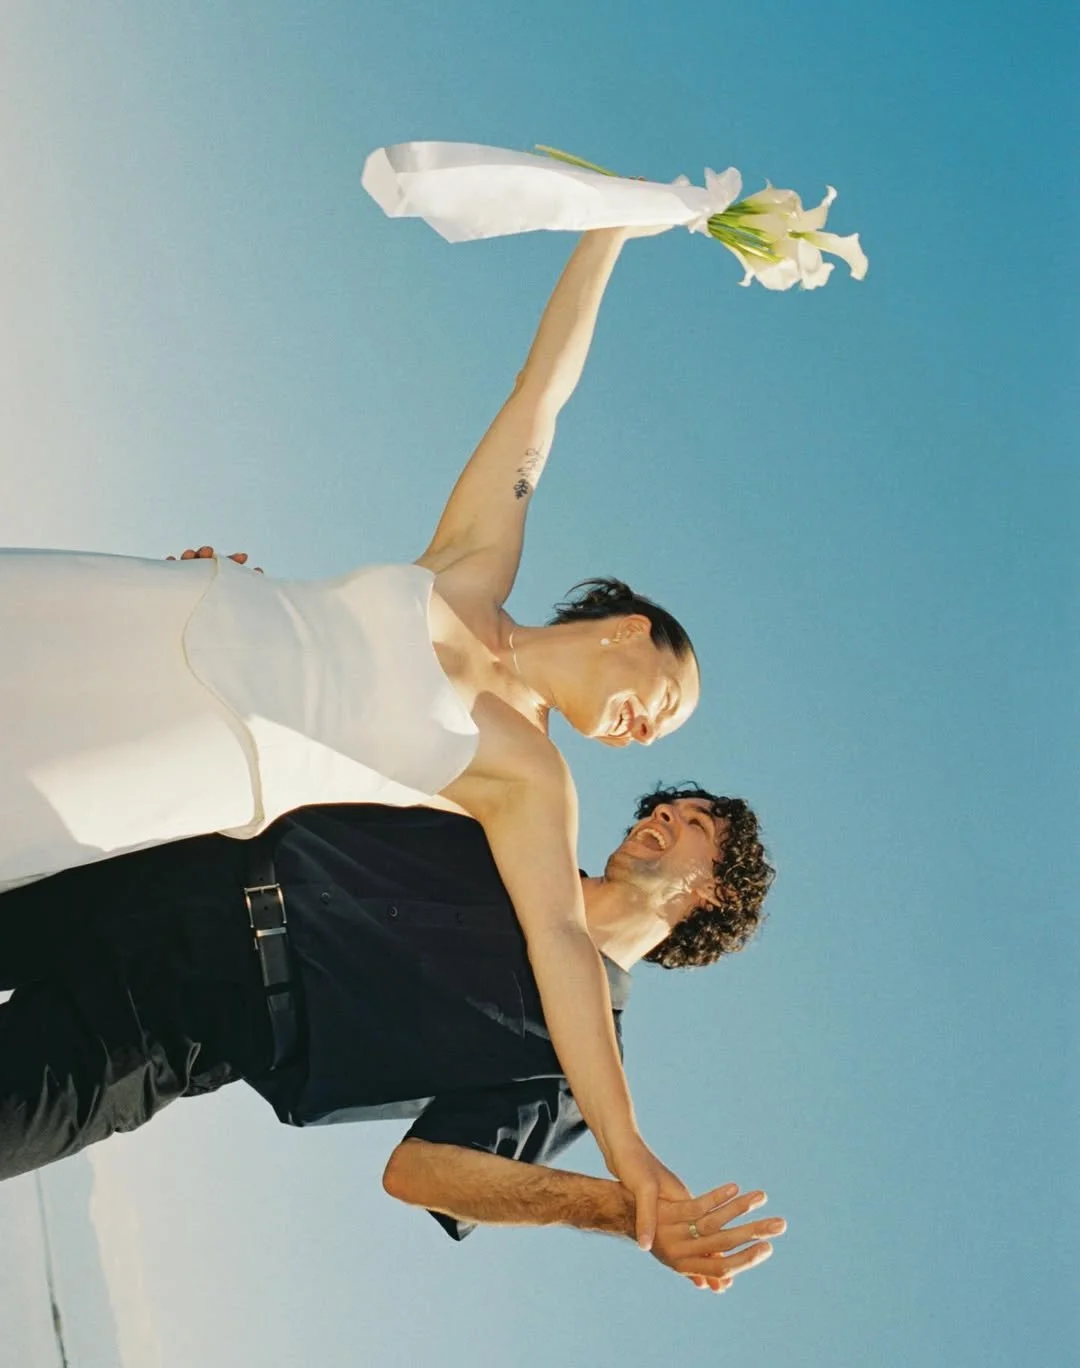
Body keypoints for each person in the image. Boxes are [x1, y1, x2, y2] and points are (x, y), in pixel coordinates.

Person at [1, 224, 695, 1240]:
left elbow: (560, 945)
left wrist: (629, 1157)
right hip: (155, 629)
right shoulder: (474, 562)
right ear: (631, 630)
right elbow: (539, 396)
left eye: (661, 732)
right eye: (663, 699)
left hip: (182, 772)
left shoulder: (529, 775)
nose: (646, 731)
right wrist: (612, 231)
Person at [0, 784, 779, 1290]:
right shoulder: (521, 824)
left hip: (172, 1035)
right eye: (666, 807)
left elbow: (422, 1173)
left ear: (713, 892)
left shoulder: (576, 1073)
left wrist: (618, 1209)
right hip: (163, 877)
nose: (662, 817)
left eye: (693, 825)